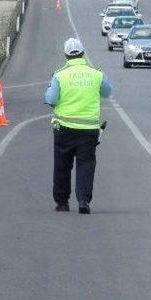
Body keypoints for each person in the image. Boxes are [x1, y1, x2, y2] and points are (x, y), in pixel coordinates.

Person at [44, 38, 112, 214]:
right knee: (86, 165)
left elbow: (50, 99)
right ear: (82, 53)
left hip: (64, 129)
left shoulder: (59, 75)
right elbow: (107, 92)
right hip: (89, 130)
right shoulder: (97, 74)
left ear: (66, 55)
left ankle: (62, 202)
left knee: (62, 166)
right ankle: (83, 200)